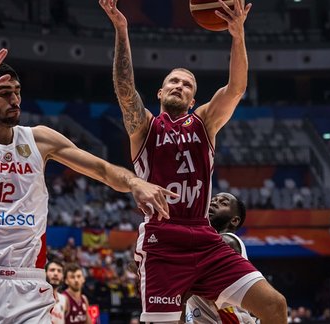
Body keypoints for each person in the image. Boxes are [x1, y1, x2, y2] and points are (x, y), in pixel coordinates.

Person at [0, 48, 175, 323]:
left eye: (17, 91)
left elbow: (101, 169)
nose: (14, 99)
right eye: (4, 93)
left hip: (29, 284)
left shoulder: (39, 139)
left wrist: (134, 182)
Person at [100, 0, 287, 322]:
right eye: (173, 81)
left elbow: (236, 88)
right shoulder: (145, 127)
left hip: (204, 237)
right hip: (163, 239)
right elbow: (124, 89)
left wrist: (237, 35)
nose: (179, 86)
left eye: (187, 85)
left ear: (193, 99)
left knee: (274, 305)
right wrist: (121, 29)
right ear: (159, 93)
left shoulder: (204, 122)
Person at [185, 192, 256, 324]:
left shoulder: (227, 241)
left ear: (234, 220)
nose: (213, 203)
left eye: (223, 203)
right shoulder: (204, 243)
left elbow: (186, 283)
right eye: (213, 200)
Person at [45, 260, 67, 324]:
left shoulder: (64, 299)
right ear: (45, 273)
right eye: (52, 270)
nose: (56, 273)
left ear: (63, 277)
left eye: (59, 271)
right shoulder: (37, 296)